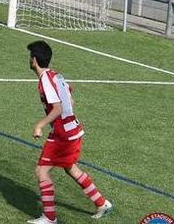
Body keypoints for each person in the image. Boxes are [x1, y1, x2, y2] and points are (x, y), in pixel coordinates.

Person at [26, 41, 113, 224]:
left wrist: (39, 125)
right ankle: (102, 202)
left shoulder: (45, 81)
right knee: (70, 168)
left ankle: (49, 218)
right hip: (74, 130)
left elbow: (57, 108)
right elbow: (71, 101)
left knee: (42, 171)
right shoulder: (57, 76)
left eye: (30, 57)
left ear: (34, 60)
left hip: (62, 135)